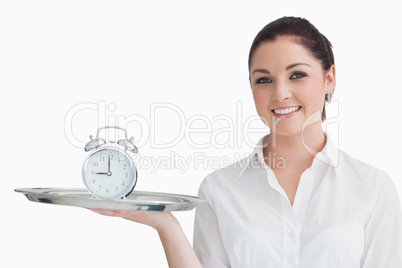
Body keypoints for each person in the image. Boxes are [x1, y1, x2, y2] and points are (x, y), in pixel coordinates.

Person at [90, 16, 402, 267]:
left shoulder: (373, 190)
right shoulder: (219, 189)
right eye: (264, 79)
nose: (280, 93)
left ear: (329, 78)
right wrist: (167, 225)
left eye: (297, 75)